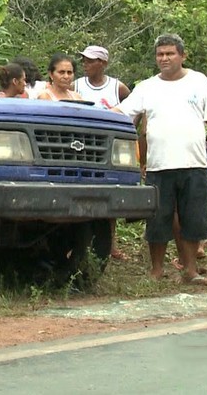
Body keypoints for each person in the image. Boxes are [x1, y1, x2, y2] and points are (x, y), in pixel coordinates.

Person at [114, 34, 207, 284]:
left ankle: (190, 271)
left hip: (194, 164)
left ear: (182, 56)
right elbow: (121, 112)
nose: (164, 58)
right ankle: (156, 271)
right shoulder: (147, 87)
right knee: (158, 220)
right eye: (160, 54)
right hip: (159, 165)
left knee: (193, 219)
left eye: (170, 53)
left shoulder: (199, 81)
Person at [74, 45, 132, 260]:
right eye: (84, 60)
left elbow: (133, 110)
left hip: (108, 148)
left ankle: (111, 243)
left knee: (109, 194)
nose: (86, 65)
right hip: (82, 146)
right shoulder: (77, 85)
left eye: (91, 61)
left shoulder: (118, 88)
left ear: (103, 63)